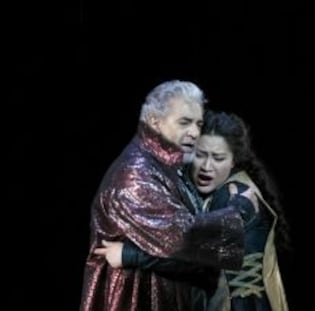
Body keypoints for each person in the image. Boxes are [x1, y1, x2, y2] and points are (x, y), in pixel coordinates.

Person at [80, 81, 257, 311]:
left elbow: (200, 255)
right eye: (184, 122)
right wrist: (239, 211)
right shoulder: (135, 176)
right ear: (155, 121)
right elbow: (186, 242)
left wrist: (130, 255)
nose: (194, 132)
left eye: (198, 124)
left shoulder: (169, 165)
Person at [96, 110, 290, 311]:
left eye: (218, 158)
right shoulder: (213, 194)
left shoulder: (236, 198)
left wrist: (128, 255)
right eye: (200, 155)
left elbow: (196, 257)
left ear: (233, 161)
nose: (207, 166)